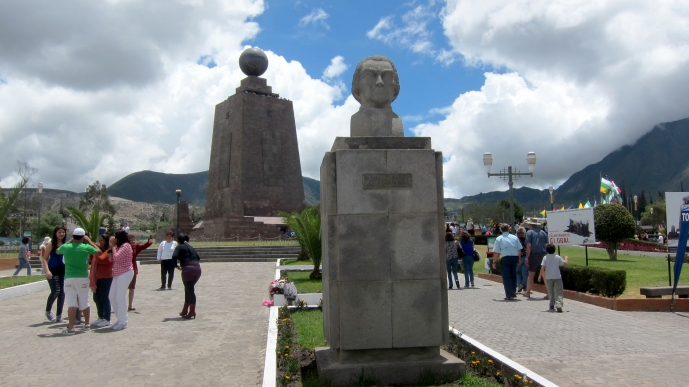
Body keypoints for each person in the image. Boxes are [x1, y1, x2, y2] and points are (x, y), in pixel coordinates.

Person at [57, 228, 100, 335]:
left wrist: (70, 241)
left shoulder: (66, 247)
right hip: (82, 277)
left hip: (69, 278)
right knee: (84, 301)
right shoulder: (86, 247)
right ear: (83, 237)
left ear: (73, 236)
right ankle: (87, 324)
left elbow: (57, 251)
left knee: (71, 303)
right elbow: (99, 252)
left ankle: (71, 328)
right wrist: (89, 241)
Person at [108, 231, 134, 330]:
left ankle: (123, 322)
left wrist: (114, 247)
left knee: (120, 297)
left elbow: (117, 258)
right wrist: (111, 247)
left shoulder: (126, 246)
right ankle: (120, 319)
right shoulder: (118, 247)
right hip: (117, 274)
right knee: (112, 296)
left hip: (125, 273)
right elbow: (111, 259)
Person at [172, 233, 202, 319]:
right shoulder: (191, 247)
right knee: (188, 289)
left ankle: (192, 311)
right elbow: (198, 257)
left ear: (178, 241)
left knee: (190, 291)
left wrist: (176, 265)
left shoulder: (179, 247)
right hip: (197, 269)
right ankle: (185, 310)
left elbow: (174, 256)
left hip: (187, 270)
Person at [42, 226, 67, 322]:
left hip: (63, 270)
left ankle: (59, 315)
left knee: (62, 293)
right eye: (59, 232)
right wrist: (47, 271)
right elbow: (45, 258)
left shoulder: (65, 244)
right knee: (56, 291)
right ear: (55, 233)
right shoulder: (51, 244)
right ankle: (48, 311)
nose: (61, 234)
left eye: (63, 232)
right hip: (53, 269)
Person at [491, 224, 522, 300]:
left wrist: (494, 262)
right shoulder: (515, 237)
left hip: (506, 258)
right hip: (514, 257)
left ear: (501, 230)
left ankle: (509, 294)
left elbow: (496, 252)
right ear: (509, 229)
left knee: (506, 276)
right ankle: (513, 291)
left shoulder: (499, 239)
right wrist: (519, 259)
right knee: (513, 275)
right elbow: (519, 249)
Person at [89, 234, 113, 327]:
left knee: (104, 298)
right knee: (97, 298)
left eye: (102, 240)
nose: (100, 242)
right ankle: (101, 317)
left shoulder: (108, 251)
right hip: (98, 278)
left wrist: (92, 245)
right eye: (99, 240)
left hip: (106, 278)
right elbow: (92, 258)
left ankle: (107, 318)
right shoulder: (101, 251)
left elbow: (101, 259)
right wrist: (93, 249)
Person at [538, 244, 569, 313]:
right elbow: (565, 263)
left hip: (549, 277)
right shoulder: (557, 257)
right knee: (558, 291)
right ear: (554, 250)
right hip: (557, 276)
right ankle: (559, 305)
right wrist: (566, 258)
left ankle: (552, 304)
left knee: (551, 291)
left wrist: (540, 276)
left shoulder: (545, 258)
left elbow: (543, 267)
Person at [524, 219, 549, 298]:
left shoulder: (529, 233)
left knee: (531, 274)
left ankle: (528, 292)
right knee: (545, 274)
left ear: (531, 225)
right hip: (544, 254)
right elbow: (546, 244)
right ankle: (549, 293)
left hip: (534, 255)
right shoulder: (543, 232)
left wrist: (527, 257)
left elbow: (529, 246)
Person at [128, 234, 152, 311]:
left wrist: (149, 242)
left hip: (133, 269)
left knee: (132, 288)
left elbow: (144, 246)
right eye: (131, 240)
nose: (133, 241)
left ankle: (130, 305)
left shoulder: (136, 247)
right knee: (122, 289)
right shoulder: (123, 248)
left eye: (134, 240)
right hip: (124, 270)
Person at [515, 227, 528, 292]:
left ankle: (520, 284)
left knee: (517, 272)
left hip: (518, 257)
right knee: (525, 273)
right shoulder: (526, 240)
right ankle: (526, 288)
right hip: (525, 257)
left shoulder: (516, 240)